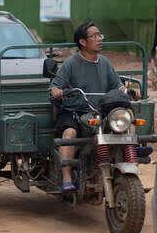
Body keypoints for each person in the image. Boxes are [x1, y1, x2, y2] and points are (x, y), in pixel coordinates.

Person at [50, 21, 126, 193]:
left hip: (100, 111)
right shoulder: (71, 63)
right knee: (69, 133)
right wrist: (57, 92)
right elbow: (55, 86)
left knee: (125, 123)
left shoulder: (105, 62)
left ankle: (129, 159)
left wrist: (126, 91)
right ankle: (67, 177)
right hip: (75, 111)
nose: (99, 39)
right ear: (83, 42)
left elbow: (117, 85)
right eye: (94, 36)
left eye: (100, 35)